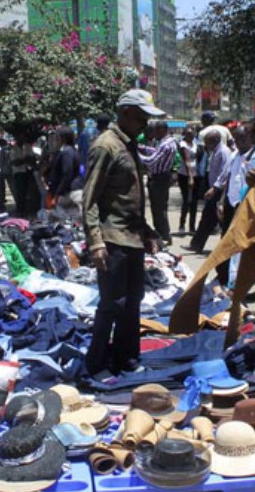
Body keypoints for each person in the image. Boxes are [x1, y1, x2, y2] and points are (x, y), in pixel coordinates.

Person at [83, 89, 163, 380]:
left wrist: (148, 231)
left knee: (132, 302)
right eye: (142, 117)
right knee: (111, 305)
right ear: (127, 112)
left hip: (132, 238)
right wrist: (95, 241)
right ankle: (98, 363)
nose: (145, 124)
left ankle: (127, 357)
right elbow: (90, 199)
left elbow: (130, 199)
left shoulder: (128, 145)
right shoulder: (106, 146)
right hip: (112, 239)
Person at [226, 119, 255, 300]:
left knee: (251, 248)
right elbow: (231, 178)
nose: (237, 142)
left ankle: (238, 287)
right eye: (235, 139)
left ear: (252, 137)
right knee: (244, 247)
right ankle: (252, 285)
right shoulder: (237, 154)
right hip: (239, 205)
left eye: (241, 138)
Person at [184, 126, 234, 254]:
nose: (205, 145)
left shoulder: (223, 152)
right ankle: (197, 244)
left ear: (215, 140)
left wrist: (215, 188)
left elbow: (225, 173)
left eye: (207, 142)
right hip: (214, 189)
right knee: (209, 218)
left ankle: (200, 244)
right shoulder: (215, 152)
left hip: (219, 191)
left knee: (211, 218)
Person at [138, 120, 178, 246]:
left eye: (155, 131)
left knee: (158, 210)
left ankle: (163, 235)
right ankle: (163, 235)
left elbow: (151, 161)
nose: (153, 134)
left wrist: (136, 154)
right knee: (159, 208)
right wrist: (142, 148)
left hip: (159, 178)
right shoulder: (166, 142)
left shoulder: (166, 144)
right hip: (161, 178)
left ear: (162, 130)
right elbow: (155, 151)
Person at [48, 126, 85, 222]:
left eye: (56, 137)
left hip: (69, 194)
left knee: (66, 224)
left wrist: (57, 194)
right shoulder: (72, 150)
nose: (55, 139)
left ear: (62, 138)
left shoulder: (66, 152)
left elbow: (67, 173)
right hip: (72, 191)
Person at [9, 131, 40, 219]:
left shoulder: (27, 146)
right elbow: (15, 162)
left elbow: (32, 159)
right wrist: (25, 160)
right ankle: (20, 211)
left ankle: (30, 210)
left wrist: (24, 160)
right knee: (20, 193)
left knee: (31, 191)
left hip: (28, 171)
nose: (21, 139)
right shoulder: (14, 149)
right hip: (19, 173)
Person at [176, 127, 198, 235]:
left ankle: (192, 226)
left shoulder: (195, 144)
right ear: (185, 134)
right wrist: (190, 176)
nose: (191, 135)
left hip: (196, 175)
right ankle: (181, 225)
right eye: (188, 134)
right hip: (185, 176)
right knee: (186, 201)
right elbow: (187, 160)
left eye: (192, 133)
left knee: (194, 202)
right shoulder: (183, 144)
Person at [0, 136, 13, 213]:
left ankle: (1, 206)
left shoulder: (3, 150)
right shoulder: (9, 149)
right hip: (9, 172)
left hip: (5, 171)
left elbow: (1, 163)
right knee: (13, 189)